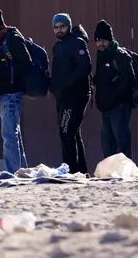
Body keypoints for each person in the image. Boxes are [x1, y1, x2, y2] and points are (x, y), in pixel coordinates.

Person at [0, 8, 32, 173]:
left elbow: (27, 63)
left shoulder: (12, 39)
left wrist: (10, 78)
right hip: (2, 94)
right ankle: (22, 170)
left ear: (1, 24)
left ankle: (12, 172)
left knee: (8, 135)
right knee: (14, 134)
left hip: (11, 93)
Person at [50, 13, 91, 175]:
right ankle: (81, 172)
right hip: (63, 97)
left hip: (75, 96)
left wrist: (64, 84)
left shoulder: (77, 43)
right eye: (56, 27)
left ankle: (71, 172)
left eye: (62, 26)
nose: (59, 30)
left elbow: (85, 68)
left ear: (68, 26)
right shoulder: (59, 46)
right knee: (73, 134)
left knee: (66, 133)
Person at [92, 20, 135, 159]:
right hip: (105, 108)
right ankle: (110, 175)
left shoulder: (120, 55)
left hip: (118, 107)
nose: (100, 44)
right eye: (98, 41)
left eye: (104, 40)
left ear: (110, 40)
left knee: (121, 145)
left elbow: (129, 79)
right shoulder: (101, 56)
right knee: (107, 145)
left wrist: (115, 98)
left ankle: (124, 175)